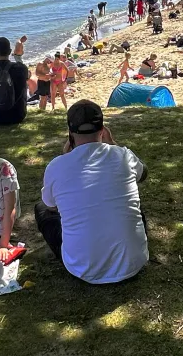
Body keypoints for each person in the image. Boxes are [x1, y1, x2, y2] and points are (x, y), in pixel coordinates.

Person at [34, 101, 149, 283]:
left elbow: (51, 207)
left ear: (70, 133)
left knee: (41, 209)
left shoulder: (57, 166)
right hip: (133, 263)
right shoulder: (123, 155)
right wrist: (113, 144)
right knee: (131, 208)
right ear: (103, 129)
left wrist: (66, 159)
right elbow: (143, 174)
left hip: (83, 269)